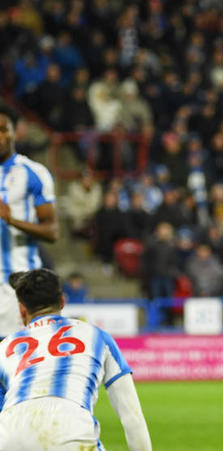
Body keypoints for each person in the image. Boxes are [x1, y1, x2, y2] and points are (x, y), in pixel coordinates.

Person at [0, 268, 151, 449]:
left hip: (10, 435)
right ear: (62, 301)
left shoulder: (4, 347)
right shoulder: (97, 336)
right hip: (69, 430)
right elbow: (132, 417)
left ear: (22, 310)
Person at [0, 105, 59, 340]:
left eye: (3, 129)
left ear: (16, 132)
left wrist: (11, 219)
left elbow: (52, 231)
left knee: (16, 371)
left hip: (16, 288)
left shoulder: (33, 173)